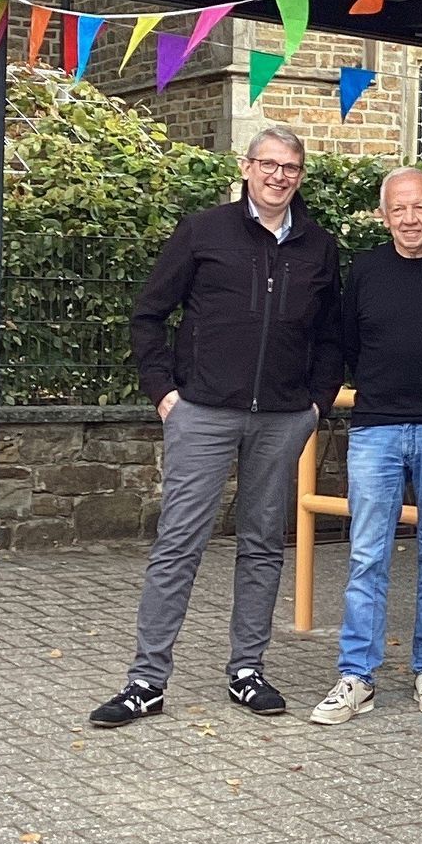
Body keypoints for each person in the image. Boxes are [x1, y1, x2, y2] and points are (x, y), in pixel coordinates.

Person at [91, 125, 342, 727]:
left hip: (282, 417)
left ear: (300, 176)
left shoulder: (319, 246)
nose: (278, 176)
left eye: (290, 167)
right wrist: (164, 393)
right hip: (201, 412)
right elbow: (149, 314)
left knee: (262, 545)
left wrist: (316, 404)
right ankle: (146, 681)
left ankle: (247, 670)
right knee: (179, 542)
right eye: (268, 164)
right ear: (247, 168)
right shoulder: (203, 231)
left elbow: (332, 336)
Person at [310, 170, 422, 726]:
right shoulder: (366, 270)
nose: (409, 218)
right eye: (398, 209)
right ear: (383, 216)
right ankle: (357, 674)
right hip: (375, 428)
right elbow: (349, 342)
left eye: (419, 207)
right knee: (366, 554)